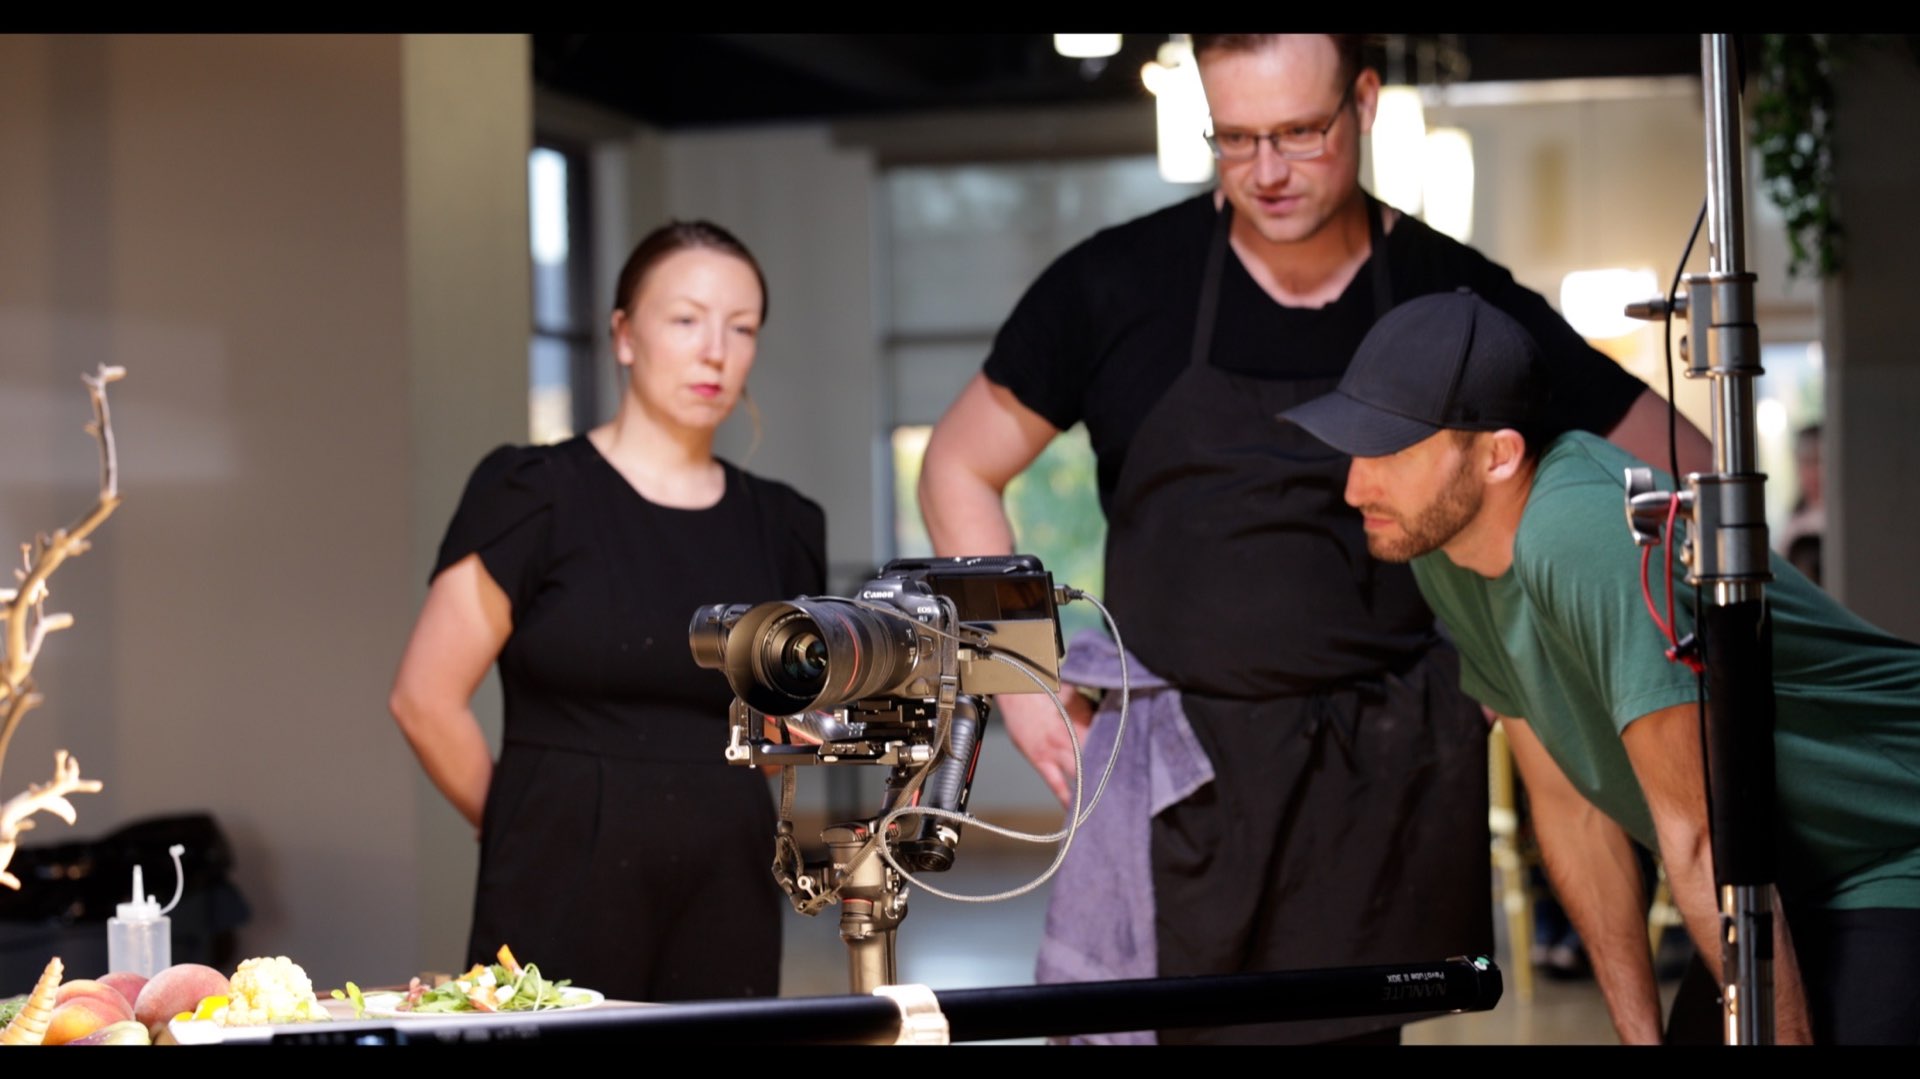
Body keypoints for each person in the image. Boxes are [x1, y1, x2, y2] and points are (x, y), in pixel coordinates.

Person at [917, 32, 1711, 1045]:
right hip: (1183, 789)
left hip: (1389, 784)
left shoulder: (1450, 300)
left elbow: (1677, 461)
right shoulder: (1115, 286)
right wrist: (1022, 681)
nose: (1268, 171)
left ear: (1365, 103)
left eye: (1298, 132)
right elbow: (957, 464)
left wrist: (1535, 646)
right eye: (1235, 137)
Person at [1283, 289, 1920, 1045]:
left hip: (1888, 845)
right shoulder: (1442, 550)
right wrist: (1639, 1034)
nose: (1356, 486)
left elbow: (1699, 837)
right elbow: (1571, 805)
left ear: (1499, 454)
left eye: (1390, 452)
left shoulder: (1577, 530)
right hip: (1778, 870)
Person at [389, 221, 826, 1003]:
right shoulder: (533, 493)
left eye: (742, 327)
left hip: (729, 870)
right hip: (556, 866)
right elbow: (423, 700)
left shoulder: (785, 524)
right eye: (686, 319)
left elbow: (781, 734)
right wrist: (525, 825)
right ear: (624, 335)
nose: (715, 351)